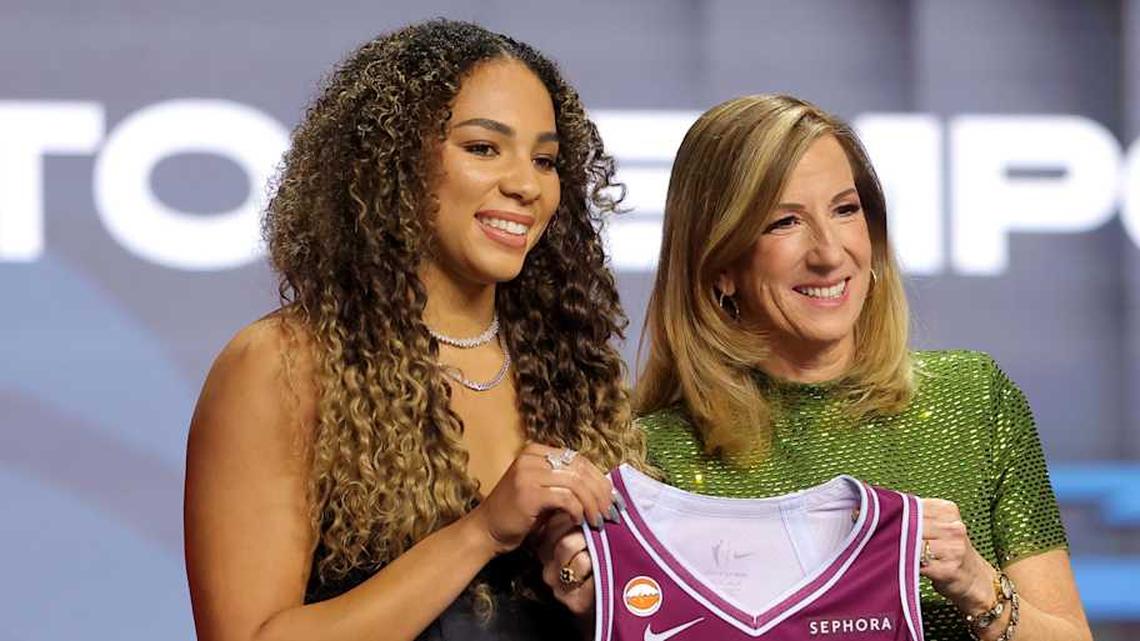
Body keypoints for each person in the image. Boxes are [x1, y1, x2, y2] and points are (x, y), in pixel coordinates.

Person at [549, 94, 1094, 641]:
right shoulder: (649, 458)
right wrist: (589, 608)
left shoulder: (974, 399)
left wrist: (978, 586)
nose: (830, 253)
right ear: (720, 266)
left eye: (845, 210)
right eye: (784, 222)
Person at [184, 19, 645, 641]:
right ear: (392, 164)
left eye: (545, 160)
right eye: (483, 148)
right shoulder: (283, 365)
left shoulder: (577, 373)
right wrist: (481, 533)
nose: (525, 184)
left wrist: (594, 589)